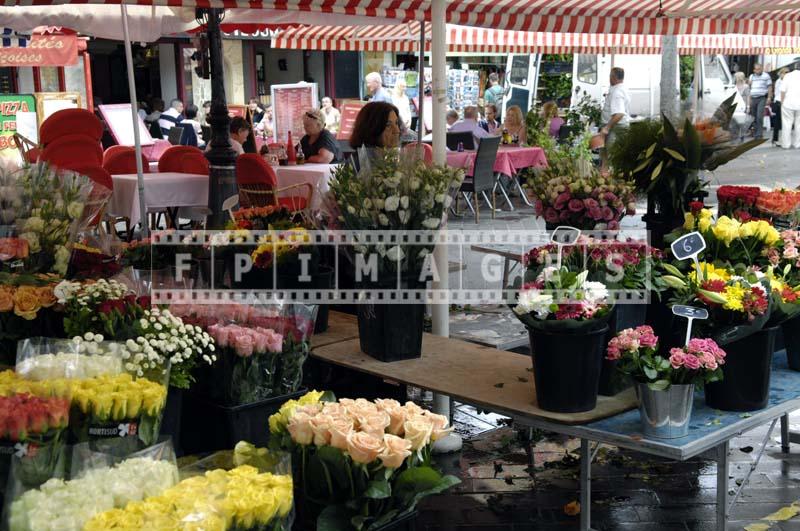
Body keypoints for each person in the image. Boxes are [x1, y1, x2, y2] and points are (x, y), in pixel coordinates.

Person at [600, 67, 630, 150]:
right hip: (617, 127)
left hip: (616, 128)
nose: (609, 78)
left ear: (614, 77)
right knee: (607, 154)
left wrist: (607, 128)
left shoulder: (617, 92)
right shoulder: (620, 88)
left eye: (610, 76)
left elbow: (619, 113)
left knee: (612, 154)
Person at [748, 63, 773, 139]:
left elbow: (770, 87)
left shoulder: (766, 76)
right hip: (753, 98)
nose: (759, 70)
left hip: (761, 98)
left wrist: (769, 97)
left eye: (760, 69)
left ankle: (759, 134)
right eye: (757, 69)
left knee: (759, 116)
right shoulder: (751, 76)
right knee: (753, 116)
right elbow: (750, 87)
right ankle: (755, 132)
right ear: (754, 70)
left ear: (762, 69)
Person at [781, 63, 800, 149]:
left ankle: (786, 144)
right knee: (799, 125)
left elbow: (783, 90)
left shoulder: (787, 76)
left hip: (788, 103)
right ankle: (797, 144)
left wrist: (782, 102)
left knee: (786, 124)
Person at [772, 68, 789, 146]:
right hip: (779, 102)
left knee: (784, 122)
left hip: (785, 102)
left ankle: (783, 139)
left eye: (787, 72)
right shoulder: (779, 82)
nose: (786, 74)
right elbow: (779, 93)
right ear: (781, 73)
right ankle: (775, 139)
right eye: (785, 72)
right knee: (778, 122)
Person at [733, 72, 751, 142]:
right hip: (735, 105)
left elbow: (748, 97)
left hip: (742, 106)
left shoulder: (746, 86)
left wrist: (748, 106)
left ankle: (741, 136)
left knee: (741, 122)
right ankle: (736, 136)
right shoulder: (733, 86)